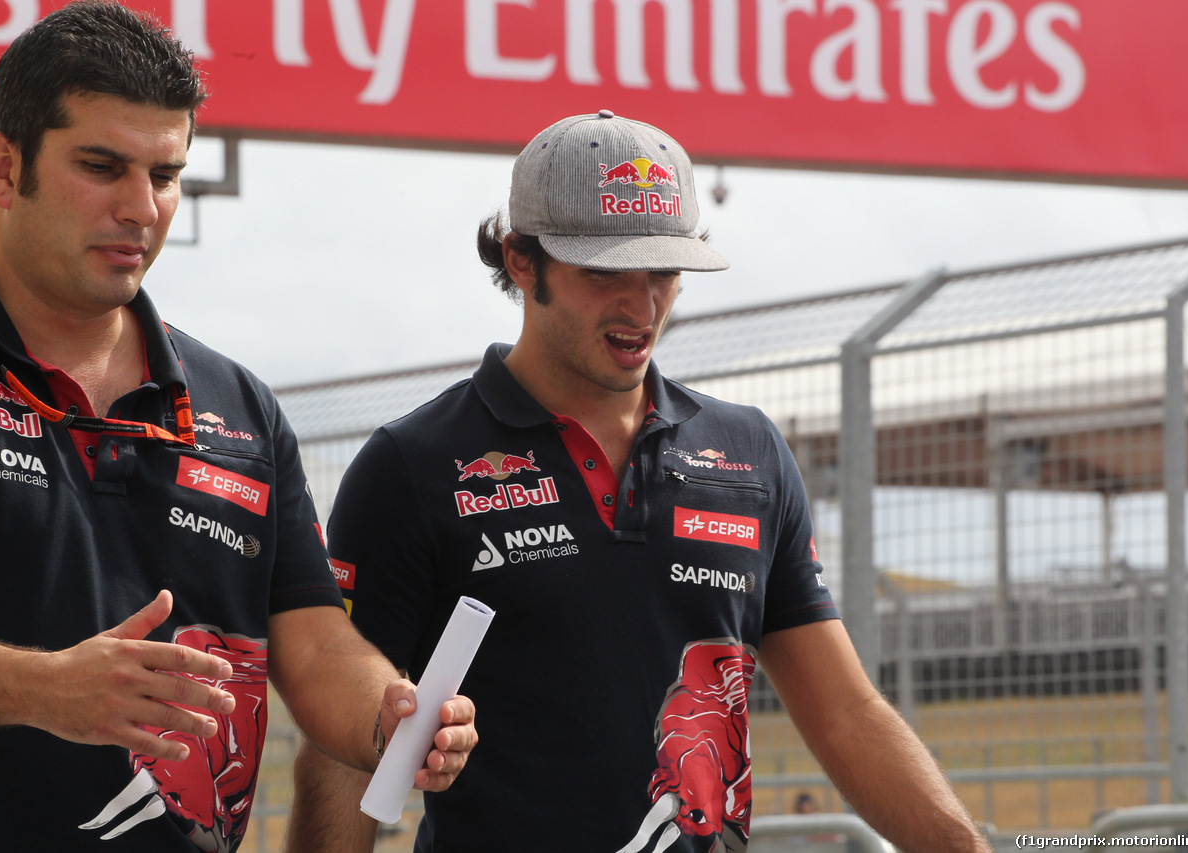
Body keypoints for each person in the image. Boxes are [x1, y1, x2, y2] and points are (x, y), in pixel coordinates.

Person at [287, 111, 990, 852]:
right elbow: (340, 746)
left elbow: (846, 713)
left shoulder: (749, 454)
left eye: (663, 271)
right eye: (605, 273)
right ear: (521, 260)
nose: (642, 305)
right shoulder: (412, 465)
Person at [0, 3, 474, 851]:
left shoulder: (239, 405)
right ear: (2, 167)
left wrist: (389, 715)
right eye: (103, 166)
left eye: (165, 175)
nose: (142, 207)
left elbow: (315, 648)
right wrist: (38, 688)